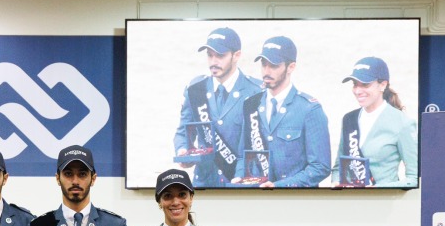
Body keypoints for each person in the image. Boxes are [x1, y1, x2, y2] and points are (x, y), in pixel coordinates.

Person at [173, 26, 262, 189]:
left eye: (220, 55)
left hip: (241, 183)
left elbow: (262, 146)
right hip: (204, 183)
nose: (213, 61)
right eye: (209, 55)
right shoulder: (195, 89)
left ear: (237, 55)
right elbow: (182, 132)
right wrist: (183, 150)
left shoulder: (257, 91)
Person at [238, 36, 331, 187]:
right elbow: (242, 155)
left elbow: (320, 167)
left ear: (291, 67)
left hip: (294, 201)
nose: (266, 71)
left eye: (274, 66)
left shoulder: (309, 109)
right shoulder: (251, 104)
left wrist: (279, 186)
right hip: (256, 197)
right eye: (263, 64)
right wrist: (239, 176)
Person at [333, 56, 418, 187]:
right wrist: (336, 183)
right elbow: (339, 167)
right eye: (355, 84)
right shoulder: (349, 119)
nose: (357, 91)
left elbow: (413, 178)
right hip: (349, 202)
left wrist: (375, 189)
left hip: (383, 202)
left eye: (365, 85)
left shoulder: (402, 123)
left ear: (383, 85)